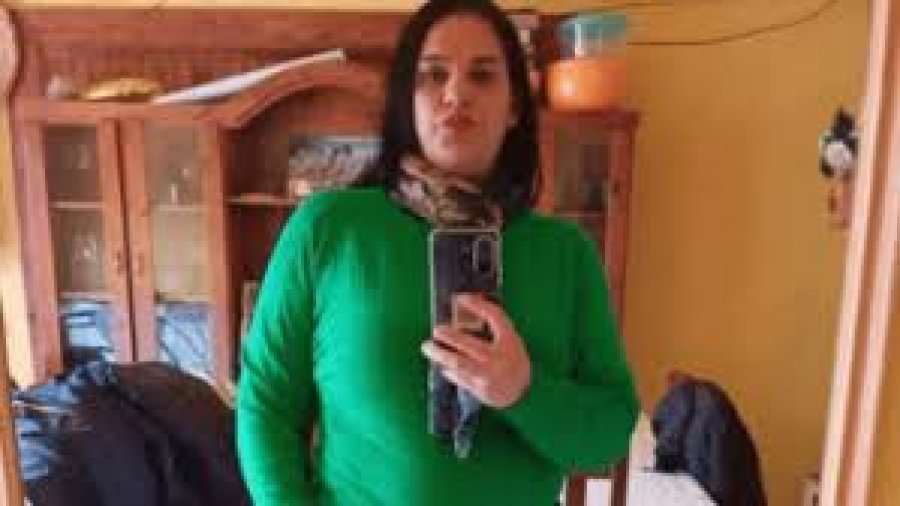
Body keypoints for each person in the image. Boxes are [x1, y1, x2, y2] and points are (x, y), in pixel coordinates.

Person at [235, 1, 640, 504]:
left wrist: (524, 392)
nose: (456, 94)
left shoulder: (566, 255)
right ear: (408, 100)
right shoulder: (328, 230)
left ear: (515, 107)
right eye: (433, 75)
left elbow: (607, 436)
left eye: (482, 76)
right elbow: (267, 406)